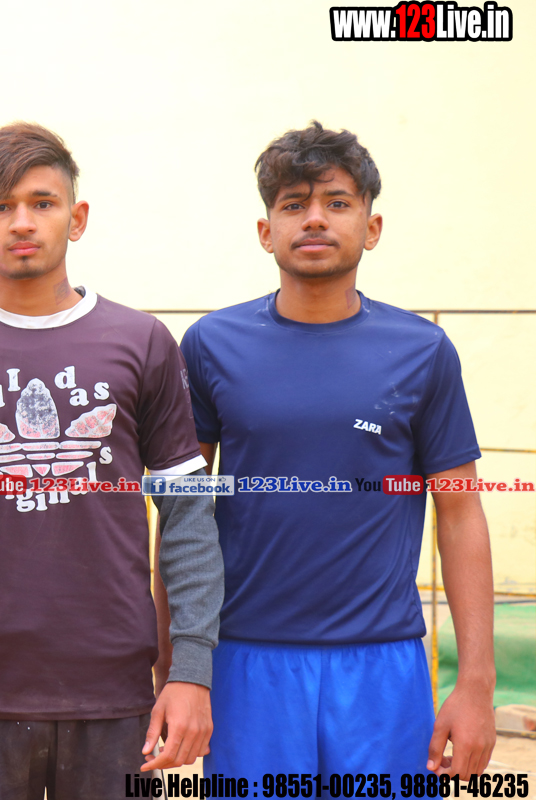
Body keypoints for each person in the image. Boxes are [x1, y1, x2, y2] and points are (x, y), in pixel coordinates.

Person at [0, 122, 224, 799]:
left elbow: (188, 518)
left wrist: (190, 671)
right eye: (0, 206)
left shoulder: (143, 343)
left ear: (77, 217)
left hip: (116, 690)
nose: (22, 222)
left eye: (42, 202)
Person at [181, 121, 496, 782]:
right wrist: (176, 666)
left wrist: (475, 684)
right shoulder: (210, 346)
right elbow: (184, 515)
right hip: (247, 661)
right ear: (266, 231)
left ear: (371, 227)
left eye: (337, 202)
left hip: (383, 665)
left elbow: (462, 513)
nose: (315, 218)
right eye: (294, 204)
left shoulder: (422, 351)